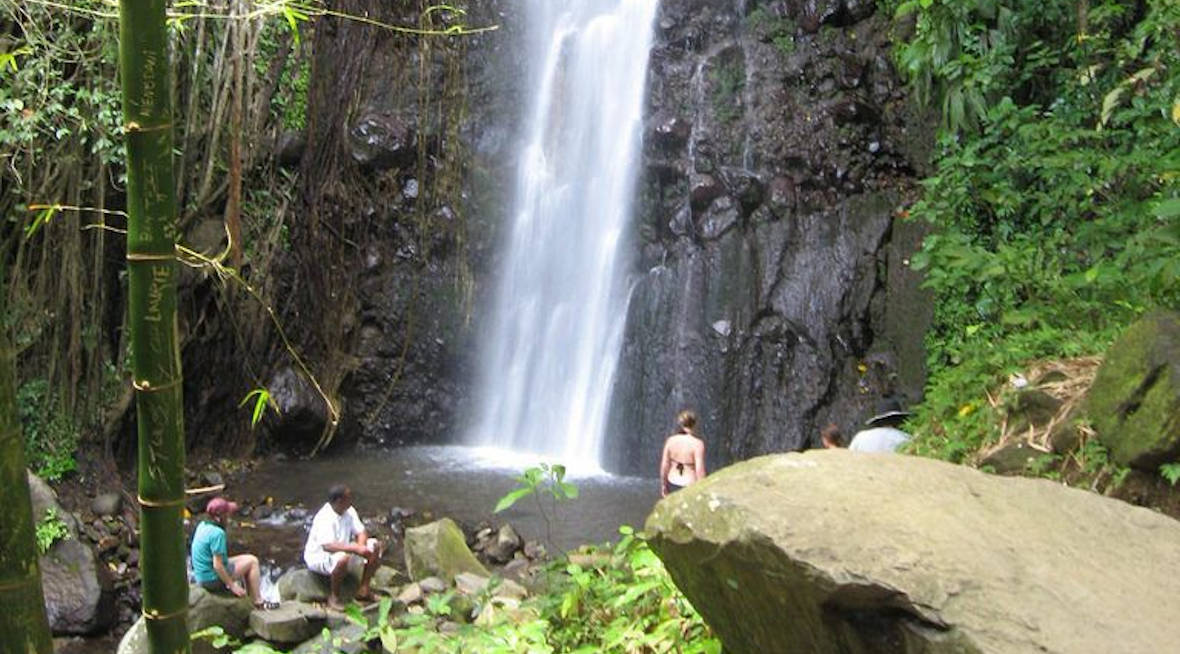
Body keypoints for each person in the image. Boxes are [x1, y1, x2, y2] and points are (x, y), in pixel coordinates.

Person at [303, 484, 383, 609]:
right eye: (348, 497)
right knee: (342, 558)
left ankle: (364, 590)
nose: (351, 499)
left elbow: (361, 531)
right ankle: (334, 597)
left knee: (375, 546)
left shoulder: (349, 511)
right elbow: (328, 546)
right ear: (340, 501)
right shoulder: (325, 517)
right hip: (320, 557)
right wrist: (355, 549)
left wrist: (361, 547)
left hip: (344, 549)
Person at [190, 497, 277, 609]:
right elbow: (217, 566)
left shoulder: (202, 525)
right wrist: (232, 586)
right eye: (227, 514)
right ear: (219, 518)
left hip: (201, 575)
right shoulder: (217, 533)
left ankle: (251, 599)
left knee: (248, 558)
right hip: (211, 579)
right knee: (252, 562)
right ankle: (257, 602)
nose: (229, 517)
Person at [660, 409, 707, 497]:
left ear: (681, 424)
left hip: (672, 482)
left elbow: (664, 465)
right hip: (689, 484)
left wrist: (663, 485)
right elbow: (699, 469)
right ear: (695, 424)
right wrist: (702, 490)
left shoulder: (670, 441)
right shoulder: (698, 444)